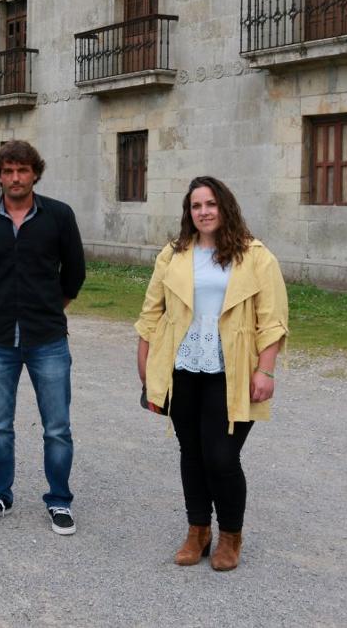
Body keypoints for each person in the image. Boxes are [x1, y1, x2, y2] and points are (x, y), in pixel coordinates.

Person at [135, 176, 288, 571]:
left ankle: (231, 537)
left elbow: (272, 321)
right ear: (189, 212)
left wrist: (266, 371)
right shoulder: (174, 254)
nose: (203, 212)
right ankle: (197, 531)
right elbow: (151, 313)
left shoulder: (256, 256)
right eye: (196, 206)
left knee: (221, 457)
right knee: (191, 452)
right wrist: (146, 365)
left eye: (210, 204)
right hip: (182, 367)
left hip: (231, 369)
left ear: (225, 207)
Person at [0, 139, 86, 535]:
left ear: (35, 173)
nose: (15, 178)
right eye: (8, 171)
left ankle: (59, 501)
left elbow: (75, 273)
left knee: (57, 427)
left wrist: (49, 307)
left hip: (48, 338)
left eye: (22, 170)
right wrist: (3, 305)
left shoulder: (59, 216)